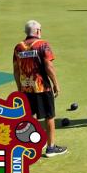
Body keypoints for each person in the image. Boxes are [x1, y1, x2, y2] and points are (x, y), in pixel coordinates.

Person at [13, 20, 67, 157]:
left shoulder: (18, 47)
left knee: (30, 118)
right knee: (49, 116)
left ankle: (32, 145)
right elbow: (49, 66)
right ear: (37, 31)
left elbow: (16, 70)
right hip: (42, 87)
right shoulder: (43, 45)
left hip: (26, 88)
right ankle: (51, 147)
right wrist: (56, 83)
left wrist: (20, 87)